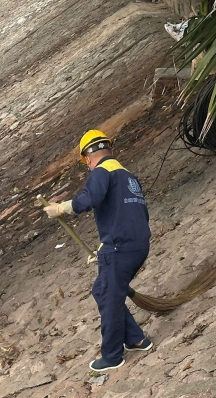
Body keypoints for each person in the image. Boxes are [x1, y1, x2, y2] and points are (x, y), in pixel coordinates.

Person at [44, 130, 152, 372]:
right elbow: (131, 214)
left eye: (86, 163)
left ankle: (112, 356)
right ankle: (136, 339)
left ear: (88, 158)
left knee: (110, 299)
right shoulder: (127, 175)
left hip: (119, 248)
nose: (88, 166)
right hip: (136, 245)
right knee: (103, 290)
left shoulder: (102, 171)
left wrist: (60, 208)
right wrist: (104, 249)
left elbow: (89, 199)